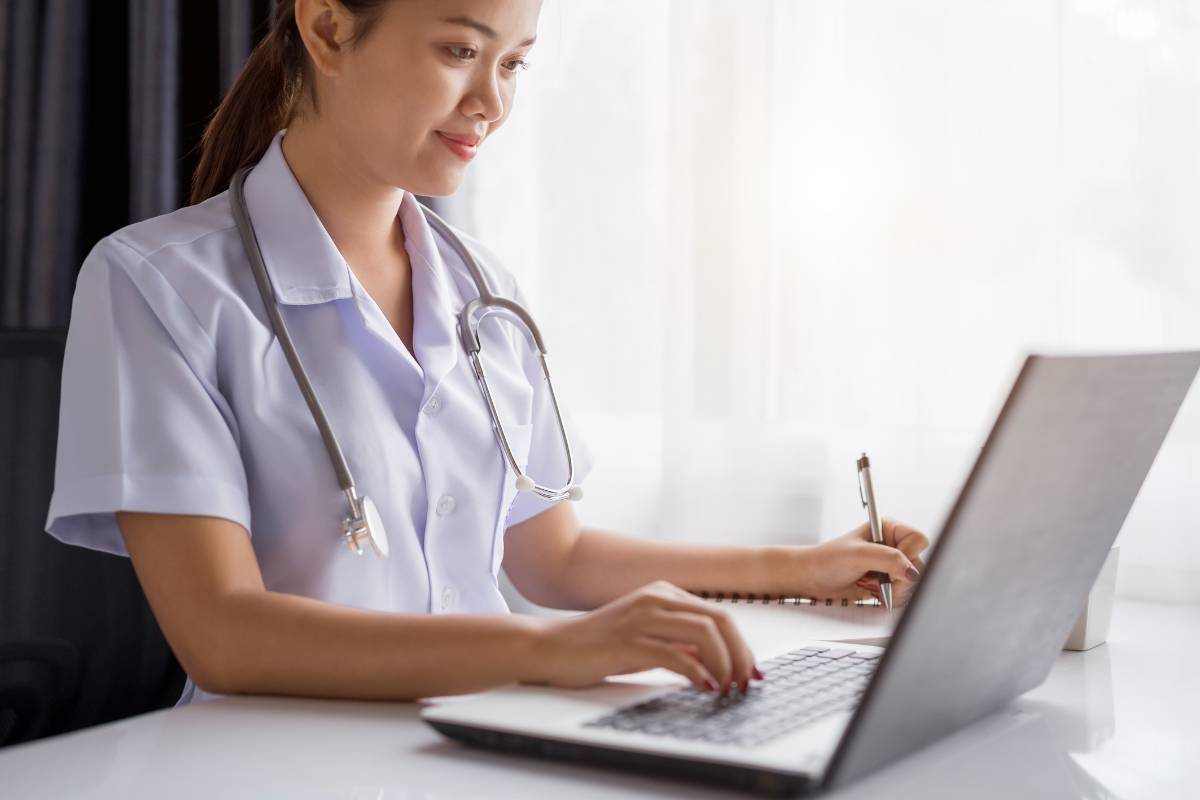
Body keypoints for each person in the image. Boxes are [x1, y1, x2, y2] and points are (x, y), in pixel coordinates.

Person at [44, 0, 929, 707]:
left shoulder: (482, 289)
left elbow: (554, 559)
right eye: (460, 52)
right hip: (274, 760)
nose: (492, 103)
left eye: (512, 63)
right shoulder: (156, 283)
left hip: (469, 735)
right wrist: (549, 649)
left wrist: (797, 569)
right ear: (328, 29)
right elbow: (225, 636)